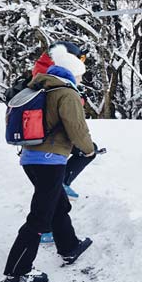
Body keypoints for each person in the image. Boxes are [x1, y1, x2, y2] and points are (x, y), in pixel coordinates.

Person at [2, 42, 96, 282]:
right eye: (78, 73)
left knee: (57, 204)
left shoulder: (39, 88)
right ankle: (17, 272)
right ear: (71, 71)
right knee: (39, 217)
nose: (79, 77)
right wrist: (88, 150)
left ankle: (69, 246)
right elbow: (77, 129)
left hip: (30, 158)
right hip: (50, 161)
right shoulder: (66, 93)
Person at [32, 41, 92, 200]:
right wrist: (87, 147)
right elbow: (68, 109)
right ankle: (63, 183)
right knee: (44, 211)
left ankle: (61, 185)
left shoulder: (43, 69)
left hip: (38, 141)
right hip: (50, 143)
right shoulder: (57, 73)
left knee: (53, 208)